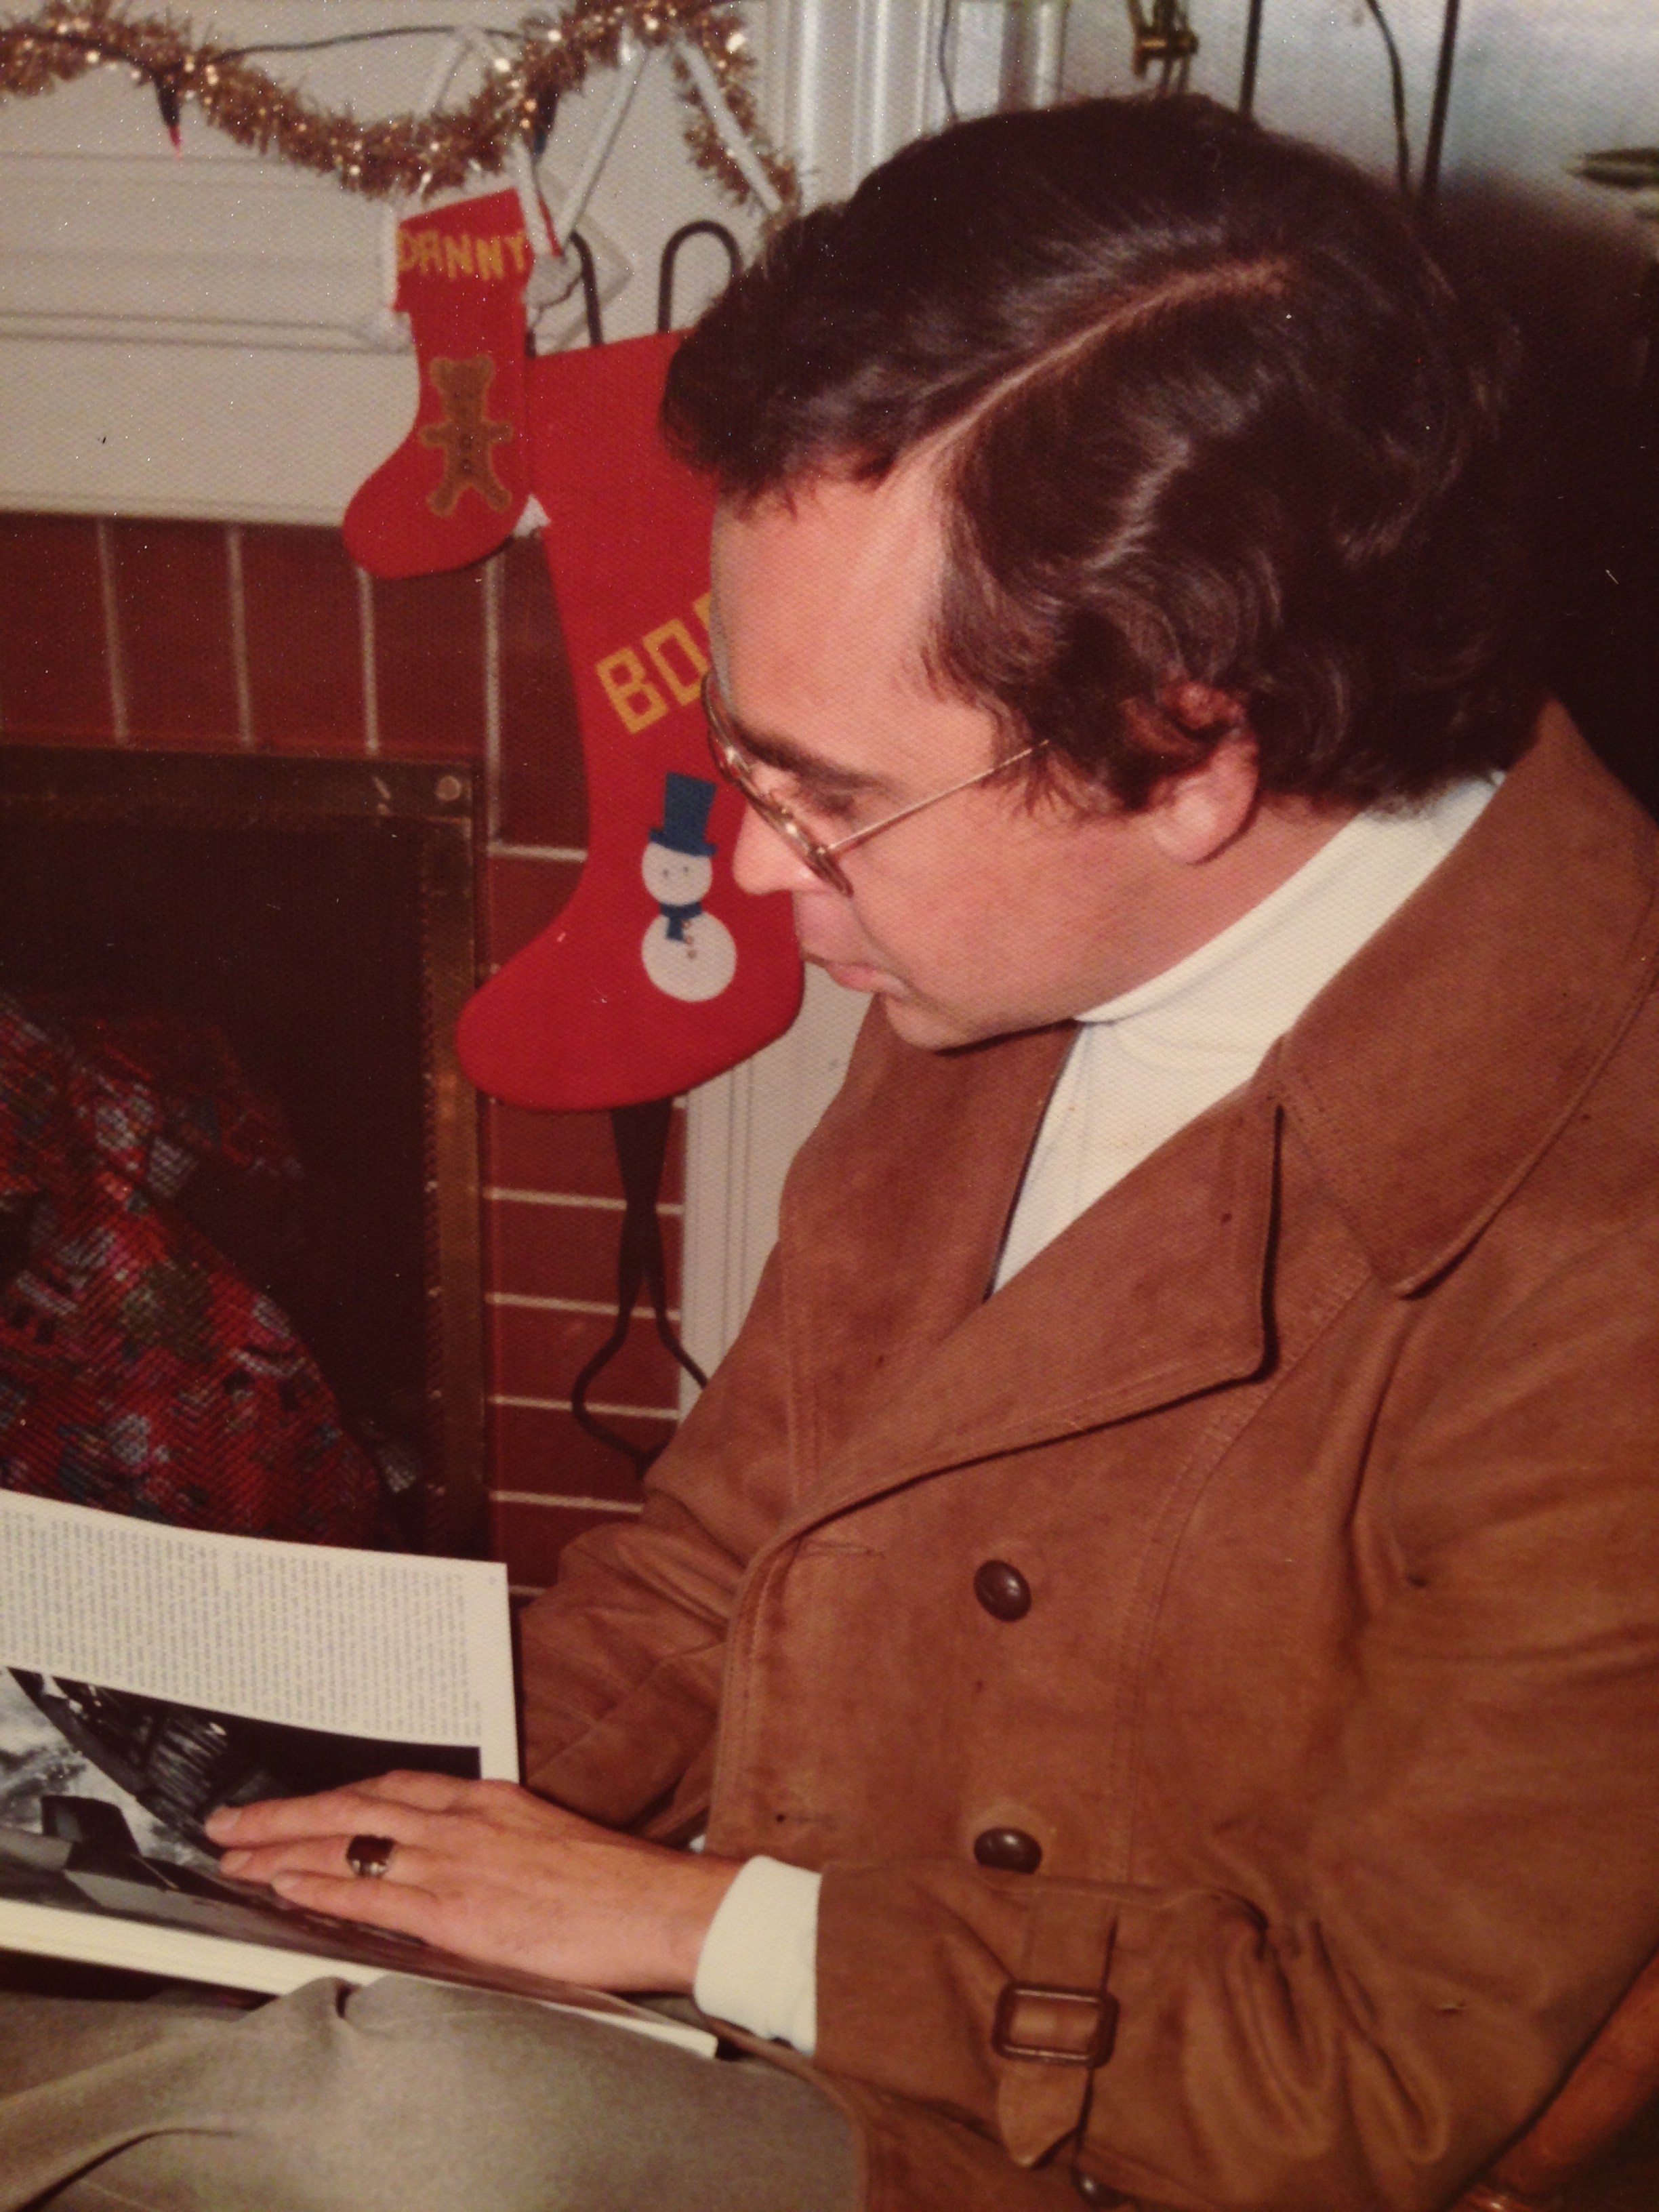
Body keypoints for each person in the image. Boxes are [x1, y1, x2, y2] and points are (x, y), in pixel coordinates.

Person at [6, 92, 1659, 2212]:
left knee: (381, 2125)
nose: (761, 875)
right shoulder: (1016, 925)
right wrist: (282, 1843)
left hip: (1070, 2152)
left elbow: (1349, 2075)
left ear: (1188, 747)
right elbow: (723, 1558)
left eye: (830, 799)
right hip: (758, 1997)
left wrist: (691, 1925)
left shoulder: (1604, 1233)